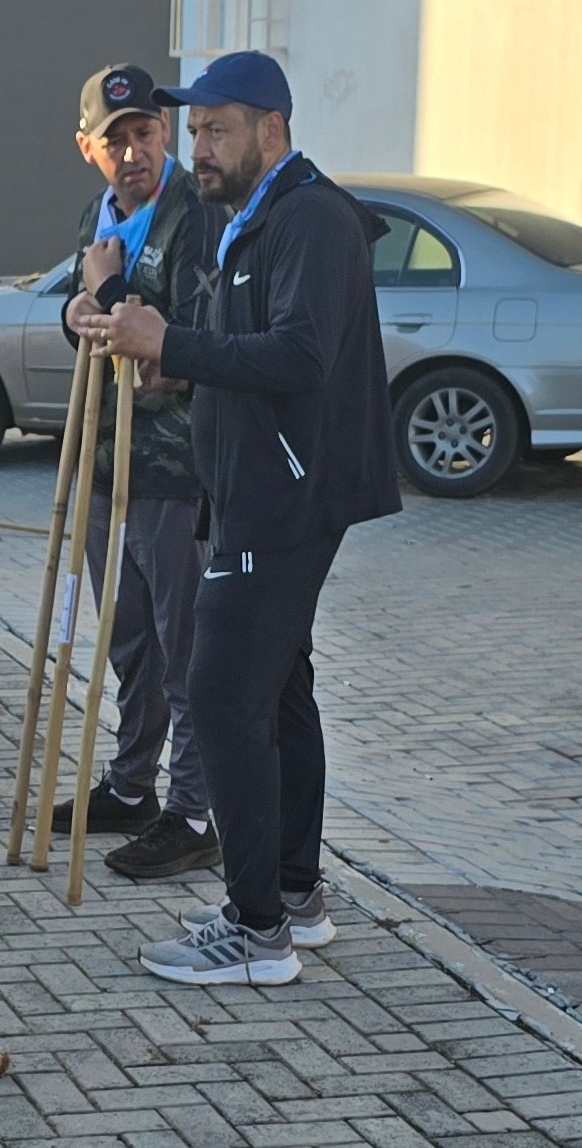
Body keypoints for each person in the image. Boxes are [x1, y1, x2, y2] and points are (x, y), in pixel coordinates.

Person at [70, 49, 397, 990]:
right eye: (197, 129)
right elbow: (250, 346)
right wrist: (177, 363)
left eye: (216, 129)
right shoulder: (252, 219)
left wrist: (171, 339)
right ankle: (294, 896)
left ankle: (259, 932)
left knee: (220, 693)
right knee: (281, 690)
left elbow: (301, 353)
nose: (198, 147)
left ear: (273, 131)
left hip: (285, 493)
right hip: (253, 485)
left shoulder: (314, 220)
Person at [50, 62, 215, 882]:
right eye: (116, 140)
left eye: (145, 133)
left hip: (173, 470)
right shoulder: (101, 213)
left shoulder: (194, 219)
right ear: (90, 148)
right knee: (130, 645)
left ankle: (193, 810)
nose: (134, 152)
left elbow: (180, 350)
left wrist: (108, 295)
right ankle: (131, 785)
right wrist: (77, 311)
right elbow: (83, 307)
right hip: (104, 464)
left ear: (164, 135)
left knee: (185, 652)